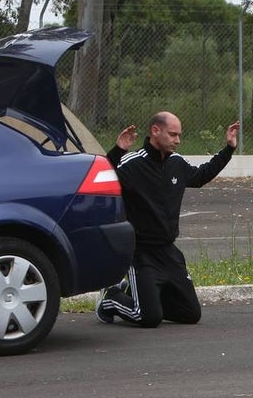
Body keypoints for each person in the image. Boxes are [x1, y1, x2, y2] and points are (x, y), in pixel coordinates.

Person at [96, 112, 240, 328]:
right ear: (156, 131)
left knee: (191, 314)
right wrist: (118, 151)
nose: (178, 140)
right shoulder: (132, 163)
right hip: (141, 254)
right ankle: (111, 298)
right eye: (173, 135)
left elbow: (201, 176)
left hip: (169, 253)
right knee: (148, 318)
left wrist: (228, 148)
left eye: (179, 135)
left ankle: (145, 296)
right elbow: (102, 178)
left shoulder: (176, 163)